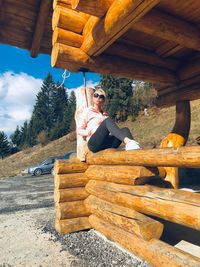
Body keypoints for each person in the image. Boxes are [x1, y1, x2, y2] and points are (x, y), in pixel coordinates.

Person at [77, 88, 140, 153]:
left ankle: (134, 151)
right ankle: (128, 141)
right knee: (108, 121)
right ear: (93, 98)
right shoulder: (88, 111)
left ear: (103, 100)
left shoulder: (106, 114)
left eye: (101, 96)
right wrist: (88, 132)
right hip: (94, 143)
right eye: (96, 95)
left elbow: (111, 129)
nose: (98, 98)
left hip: (106, 143)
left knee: (125, 130)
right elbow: (79, 130)